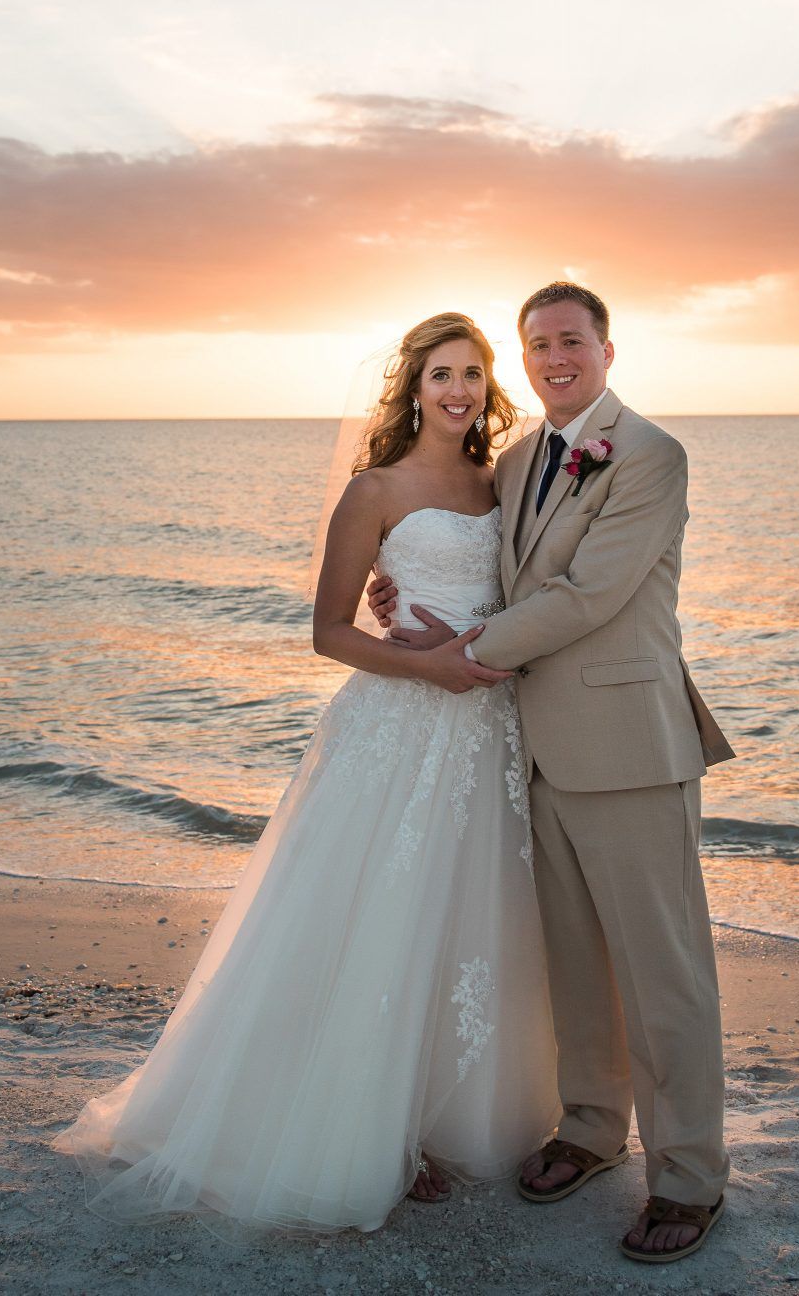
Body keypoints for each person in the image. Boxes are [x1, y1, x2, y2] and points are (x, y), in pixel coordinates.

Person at [51, 312, 559, 1233]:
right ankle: (371, 1133)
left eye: (473, 374)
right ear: (412, 388)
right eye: (440, 374)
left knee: (466, 918)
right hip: (400, 731)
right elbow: (329, 632)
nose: (458, 390)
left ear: (490, 386)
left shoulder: (502, 483)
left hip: (487, 734)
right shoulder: (375, 490)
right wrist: (430, 665)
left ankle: (443, 1116)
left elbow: (523, 594)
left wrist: (478, 653)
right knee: (381, 921)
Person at [369, 282, 736, 1266]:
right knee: (572, 960)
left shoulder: (651, 456)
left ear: (606, 350)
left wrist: (468, 645)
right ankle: (586, 1124)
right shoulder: (520, 455)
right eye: (535, 345)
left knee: (662, 975)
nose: (551, 358)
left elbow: (585, 595)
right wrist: (401, 586)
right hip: (529, 743)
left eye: (569, 341)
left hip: (627, 747)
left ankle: (690, 1178)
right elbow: (489, 569)